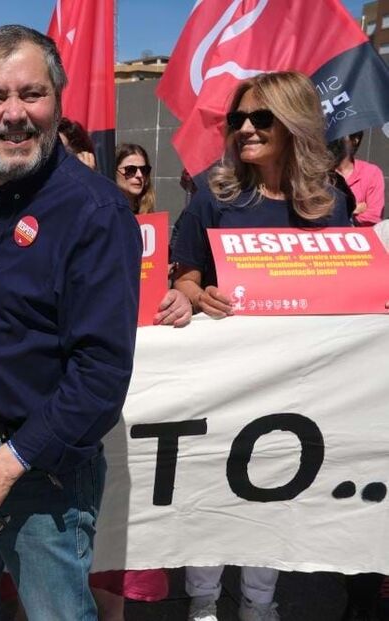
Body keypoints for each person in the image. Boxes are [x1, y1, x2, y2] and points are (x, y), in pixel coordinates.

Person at [0, 25, 141, 620]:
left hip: (37, 471)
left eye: (31, 93)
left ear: (57, 101)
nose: (14, 114)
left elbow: (101, 375)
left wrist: (6, 463)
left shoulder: (95, 212)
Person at [171, 71, 351, 621]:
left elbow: (350, 286)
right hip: (221, 378)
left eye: (261, 118)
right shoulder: (213, 196)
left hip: (297, 381)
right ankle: (203, 600)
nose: (246, 128)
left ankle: (259, 603)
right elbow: (184, 278)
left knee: (274, 489)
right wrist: (197, 295)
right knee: (210, 487)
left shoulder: (331, 203)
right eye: (238, 119)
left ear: (294, 123)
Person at [331, 131, 385, 226]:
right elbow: (314, 213)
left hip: (360, 234)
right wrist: (354, 209)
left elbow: (373, 217)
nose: (334, 142)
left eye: (340, 137)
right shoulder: (320, 172)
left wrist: (343, 217)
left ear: (355, 140)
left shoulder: (371, 173)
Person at [115, 143, 155, 214]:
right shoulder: (103, 213)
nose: (139, 175)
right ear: (114, 171)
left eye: (144, 170)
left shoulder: (149, 213)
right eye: (130, 170)